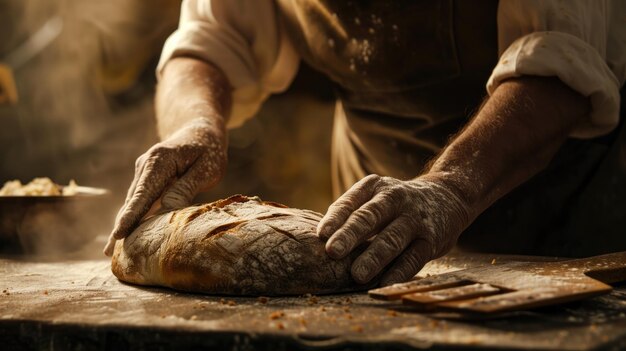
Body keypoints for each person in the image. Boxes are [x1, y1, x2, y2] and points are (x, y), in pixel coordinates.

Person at [104, 0, 626, 287]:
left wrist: (449, 187)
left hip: (561, 210)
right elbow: (209, 40)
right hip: (374, 219)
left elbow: (561, 66)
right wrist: (195, 124)